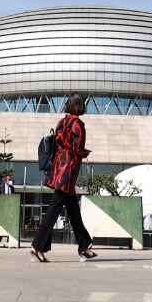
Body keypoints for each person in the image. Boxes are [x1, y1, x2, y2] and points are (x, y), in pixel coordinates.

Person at [29, 92, 96, 263]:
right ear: (80, 106)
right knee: (54, 209)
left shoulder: (62, 122)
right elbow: (77, 148)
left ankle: (84, 246)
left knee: (73, 211)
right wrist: (85, 152)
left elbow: (60, 143)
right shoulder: (78, 124)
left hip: (59, 168)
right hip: (69, 170)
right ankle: (37, 246)